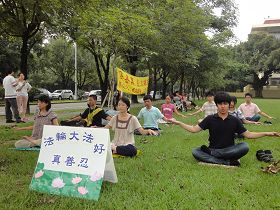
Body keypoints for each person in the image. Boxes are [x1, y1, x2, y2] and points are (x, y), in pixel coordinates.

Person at [168, 91, 280, 167]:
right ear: (216, 105)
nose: (223, 106)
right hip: (214, 149)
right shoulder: (210, 119)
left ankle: (216, 159)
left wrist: (266, 133)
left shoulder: (235, 120)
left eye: (225, 103)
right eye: (220, 104)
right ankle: (227, 162)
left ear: (229, 105)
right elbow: (193, 129)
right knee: (195, 151)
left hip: (229, 150)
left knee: (244, 146)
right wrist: (179, 122)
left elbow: (248, 134)